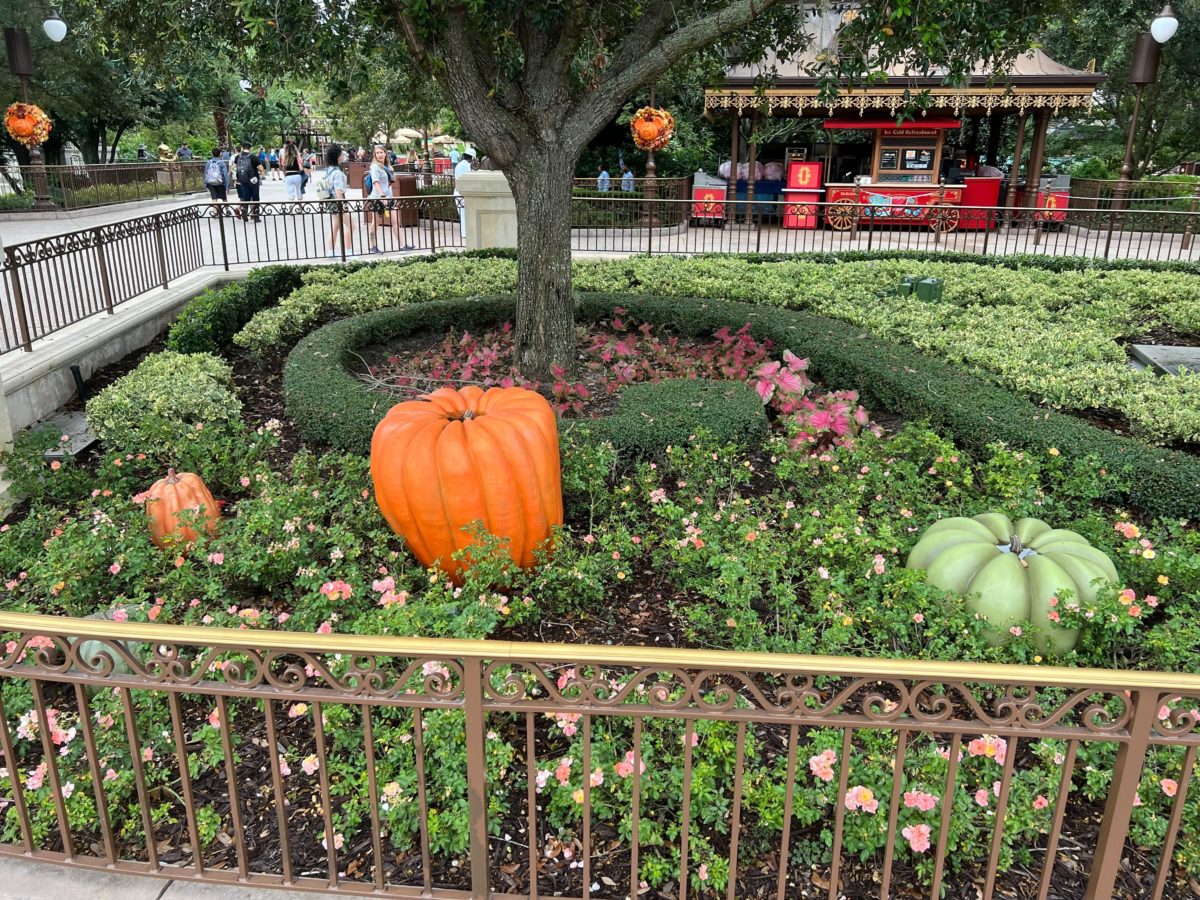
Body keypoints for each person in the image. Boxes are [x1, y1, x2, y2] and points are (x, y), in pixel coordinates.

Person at [366, 144, 413, 253]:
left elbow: (391, 181)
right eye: (377, 153)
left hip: (389, 197)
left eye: (381, 152)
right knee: (376, 222)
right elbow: (375, 182)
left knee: (396, 220)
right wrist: (381, 194)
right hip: (377, 198)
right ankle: (372, 246)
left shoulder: (387, 167)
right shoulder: (374, 167)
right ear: (375, 155)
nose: (379, 154)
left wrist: (391, 172)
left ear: (385, 154)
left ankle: (402, 245)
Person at [315, 143, 354, 257]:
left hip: (330, 201)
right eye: (341, 154)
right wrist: (342, 204)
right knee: (351, 225)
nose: (343, 156)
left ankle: (331, 251)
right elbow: (338, 191)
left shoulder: (328, 170)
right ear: (337, 156)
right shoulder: (337, 173)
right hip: (338, 201)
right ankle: (348, 251)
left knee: (335, 226)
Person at [233, 142, 263, 222]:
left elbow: (235, 168)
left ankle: (244, 210)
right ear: (250, 148)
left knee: (246, 196)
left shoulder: (237, 157)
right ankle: (256, 216)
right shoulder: (253, 157)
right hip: (254, 180)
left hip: (243, 179)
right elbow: (261, 169)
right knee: (255, 197)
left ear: (242, 148)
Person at [453, 148, 475, 240]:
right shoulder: (467, 166)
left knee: (462, 214)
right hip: (463, 193)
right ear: (471, 158)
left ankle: (465, 234)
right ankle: (465, 234)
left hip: (457, 192)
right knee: (465, 214)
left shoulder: (458, 165)